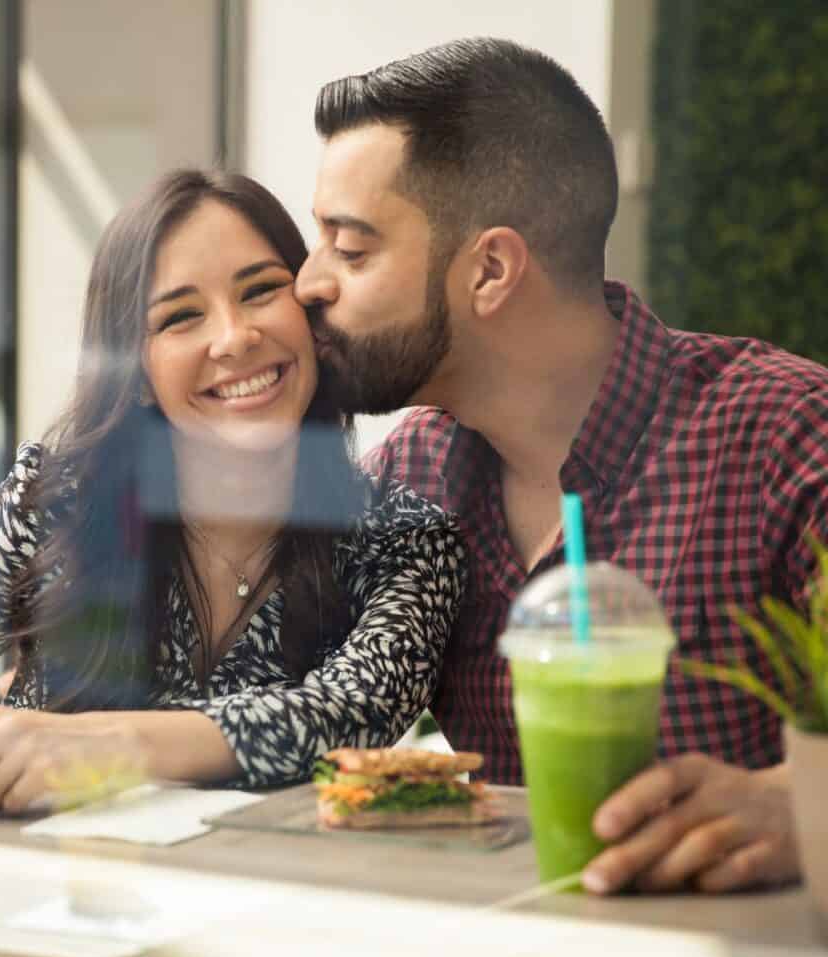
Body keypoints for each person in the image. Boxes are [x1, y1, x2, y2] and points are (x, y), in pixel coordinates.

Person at [0, 169, 464, 957]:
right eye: (180, 316)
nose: (234, 338)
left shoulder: (402, 538)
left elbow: (346, 719)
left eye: (261, 291)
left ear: (309, 310)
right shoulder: (59, 508)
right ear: (136, 360)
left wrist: (107, 747)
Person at [294, 36, 827, 897]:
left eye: (350, 250)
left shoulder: (788, 435)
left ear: (492, 270)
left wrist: (798, 803)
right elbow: (277, 697)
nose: (307, 284)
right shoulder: (409, 476)